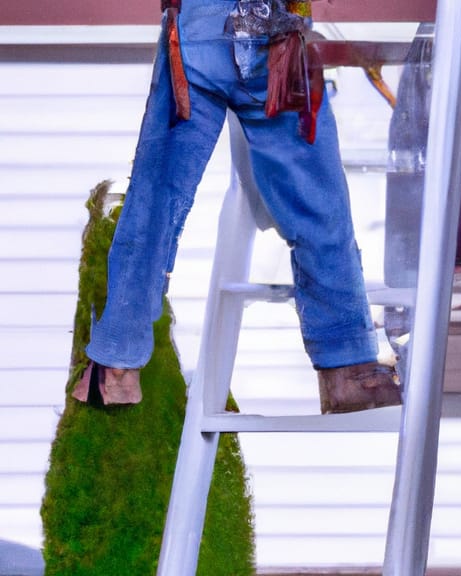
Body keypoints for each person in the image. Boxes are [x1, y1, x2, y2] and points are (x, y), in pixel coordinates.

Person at [71, 0, 401, 414]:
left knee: (156, 200)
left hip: (208, 36)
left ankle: (116, 366)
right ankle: (348, 371)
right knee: (318, 207)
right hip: (271, 39)